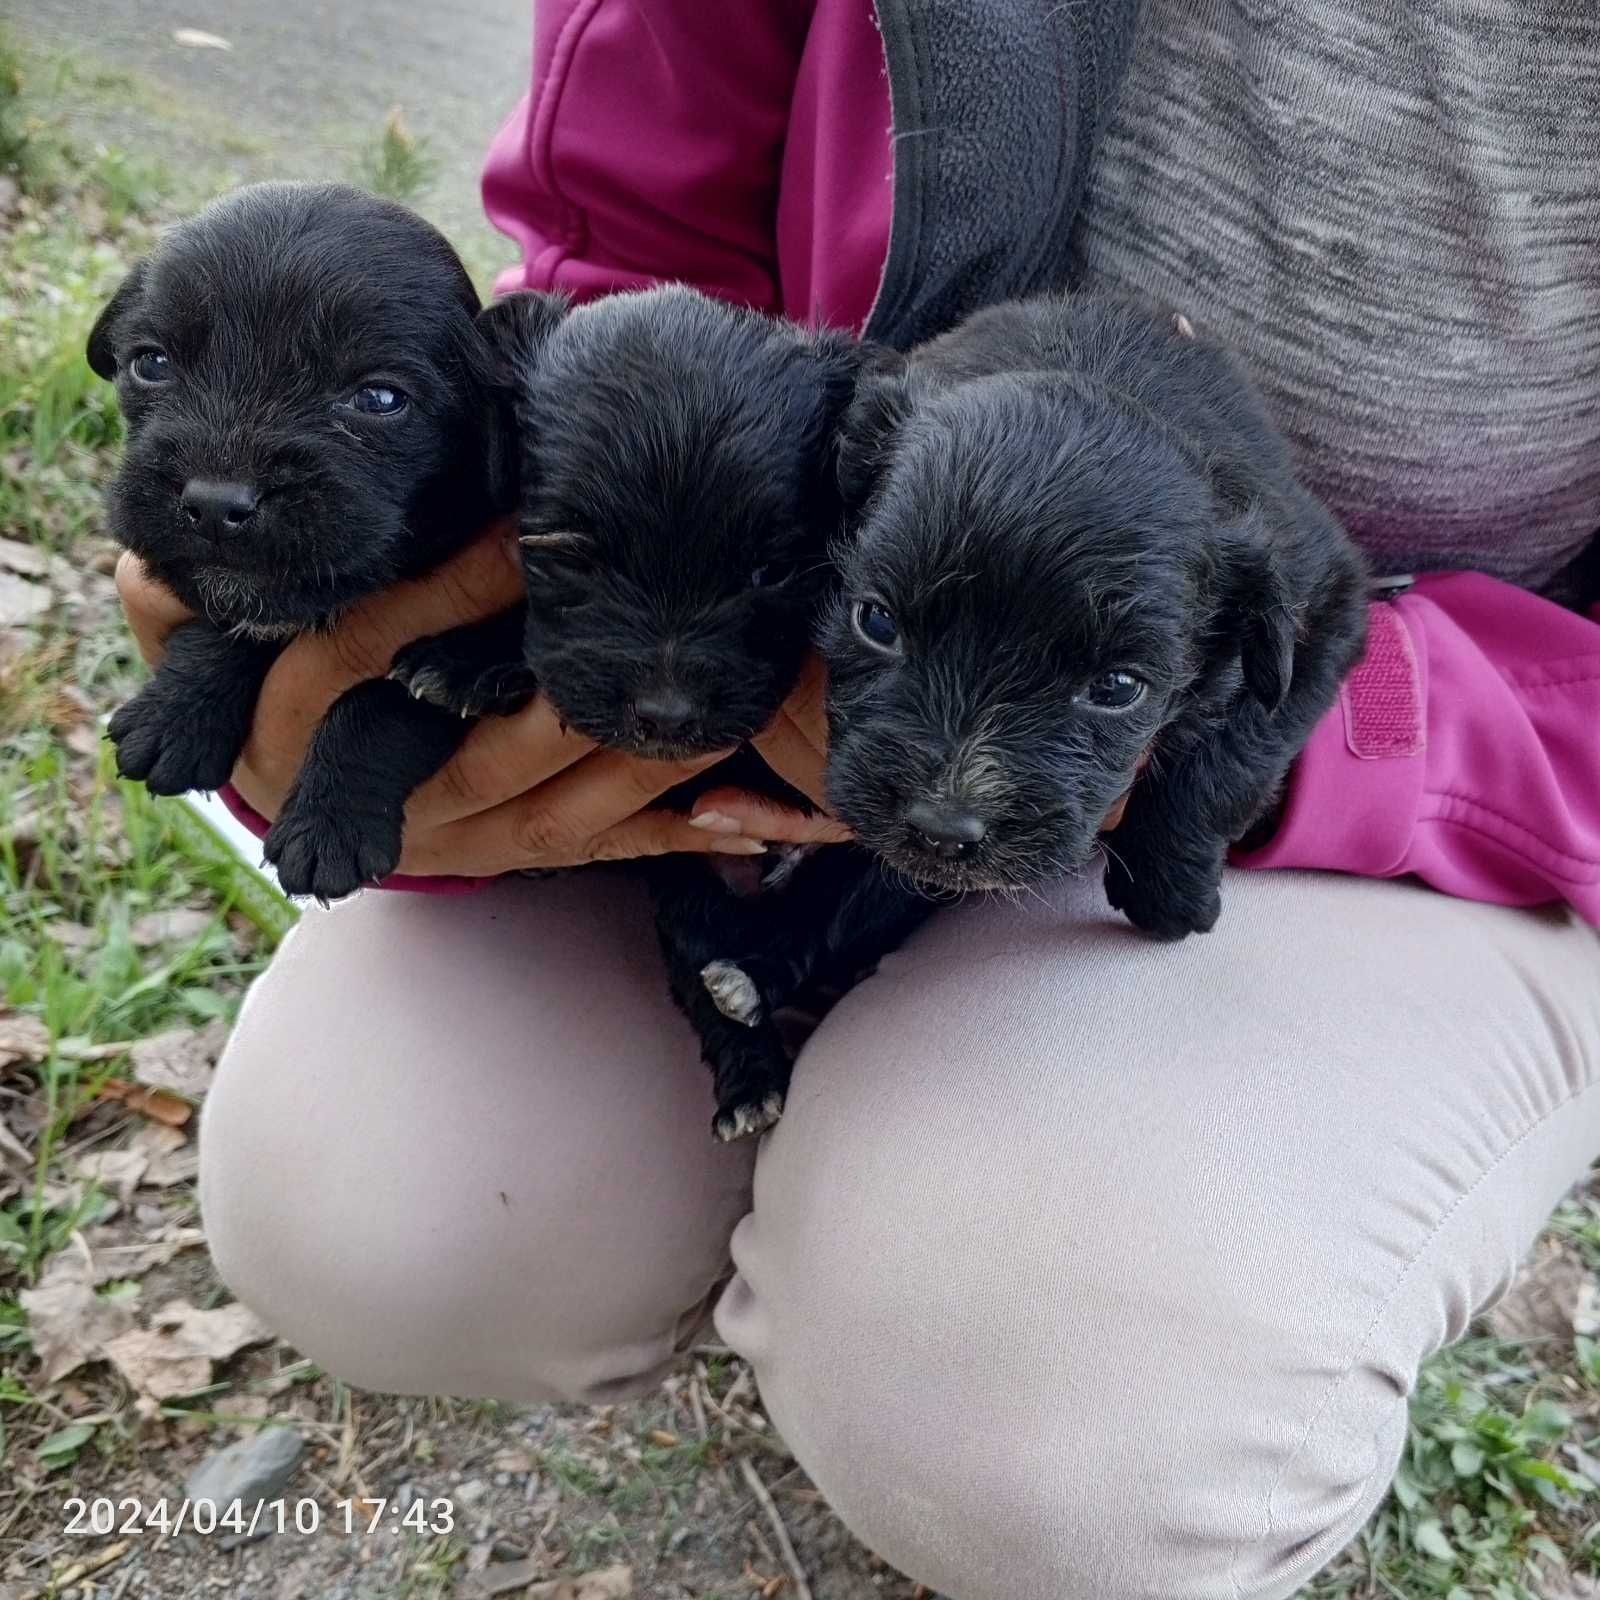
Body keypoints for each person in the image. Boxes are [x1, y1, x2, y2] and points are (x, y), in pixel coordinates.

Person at [115, 4, 1600, 1596]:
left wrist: (1249, 773)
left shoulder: (1260, 622)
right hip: (779, 722)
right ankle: (797, 1080)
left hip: (1445, 761)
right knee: (375, 1213)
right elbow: (612, 303)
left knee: (1080, 1440)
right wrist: (449, 640)